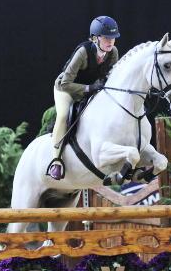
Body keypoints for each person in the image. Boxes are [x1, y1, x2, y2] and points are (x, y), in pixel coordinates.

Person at [47, 16, 121, 180]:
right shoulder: (83, 52)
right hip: (66, 89)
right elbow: (65, 83)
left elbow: (112, 78)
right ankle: (56, 161)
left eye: (113, 38)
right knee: (63, 115)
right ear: (95, 38)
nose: (110, 41)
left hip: (91, 90)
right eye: (106, 37)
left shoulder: (113, 53)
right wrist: (89, 88)